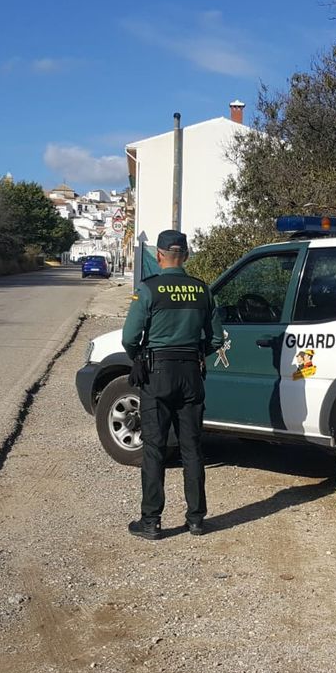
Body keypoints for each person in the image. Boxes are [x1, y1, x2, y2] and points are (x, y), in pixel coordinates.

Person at [121, 230, 223, 540]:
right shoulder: (202, 291)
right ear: (187, 256)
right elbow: (217, 338)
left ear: (160, 256)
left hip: (157, 374)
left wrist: (138, 357)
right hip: (191, 372)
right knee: (192, 448)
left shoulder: (148, 290)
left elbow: (128, 337)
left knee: (155, 448)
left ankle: (151, 521)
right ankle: (196, 519)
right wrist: (194, 354)